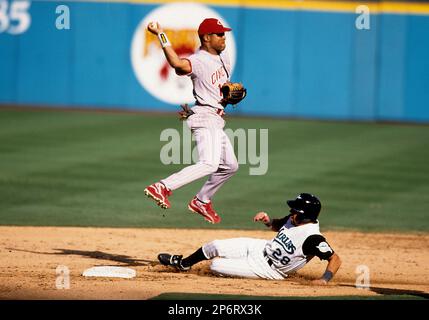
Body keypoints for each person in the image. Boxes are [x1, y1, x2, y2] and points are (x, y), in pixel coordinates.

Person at [144, 18, 242, 224]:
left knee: (230, 165)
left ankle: (201, 201)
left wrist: (226, 96)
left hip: (215, 117)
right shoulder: (198, 60)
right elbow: (177, 64)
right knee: (208, 163)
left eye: (224, 33)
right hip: (205, 116)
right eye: (219, 34)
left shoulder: (225, 59)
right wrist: (161, 34)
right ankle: (162, 186)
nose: (224, 37)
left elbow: (219, 90)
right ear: (206, 37)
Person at [157, 193, 342, 285]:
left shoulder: (313, 238)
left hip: (268, 270)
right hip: (260, 248)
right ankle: (184, 263)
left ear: (305, 215)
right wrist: (268, 221)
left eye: (295, 211)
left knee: (216, 265)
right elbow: (279, 225)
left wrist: (325, 279)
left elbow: (335, 259)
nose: (291, 212)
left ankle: (238, 266)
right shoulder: (294, 220)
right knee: (215, 245)